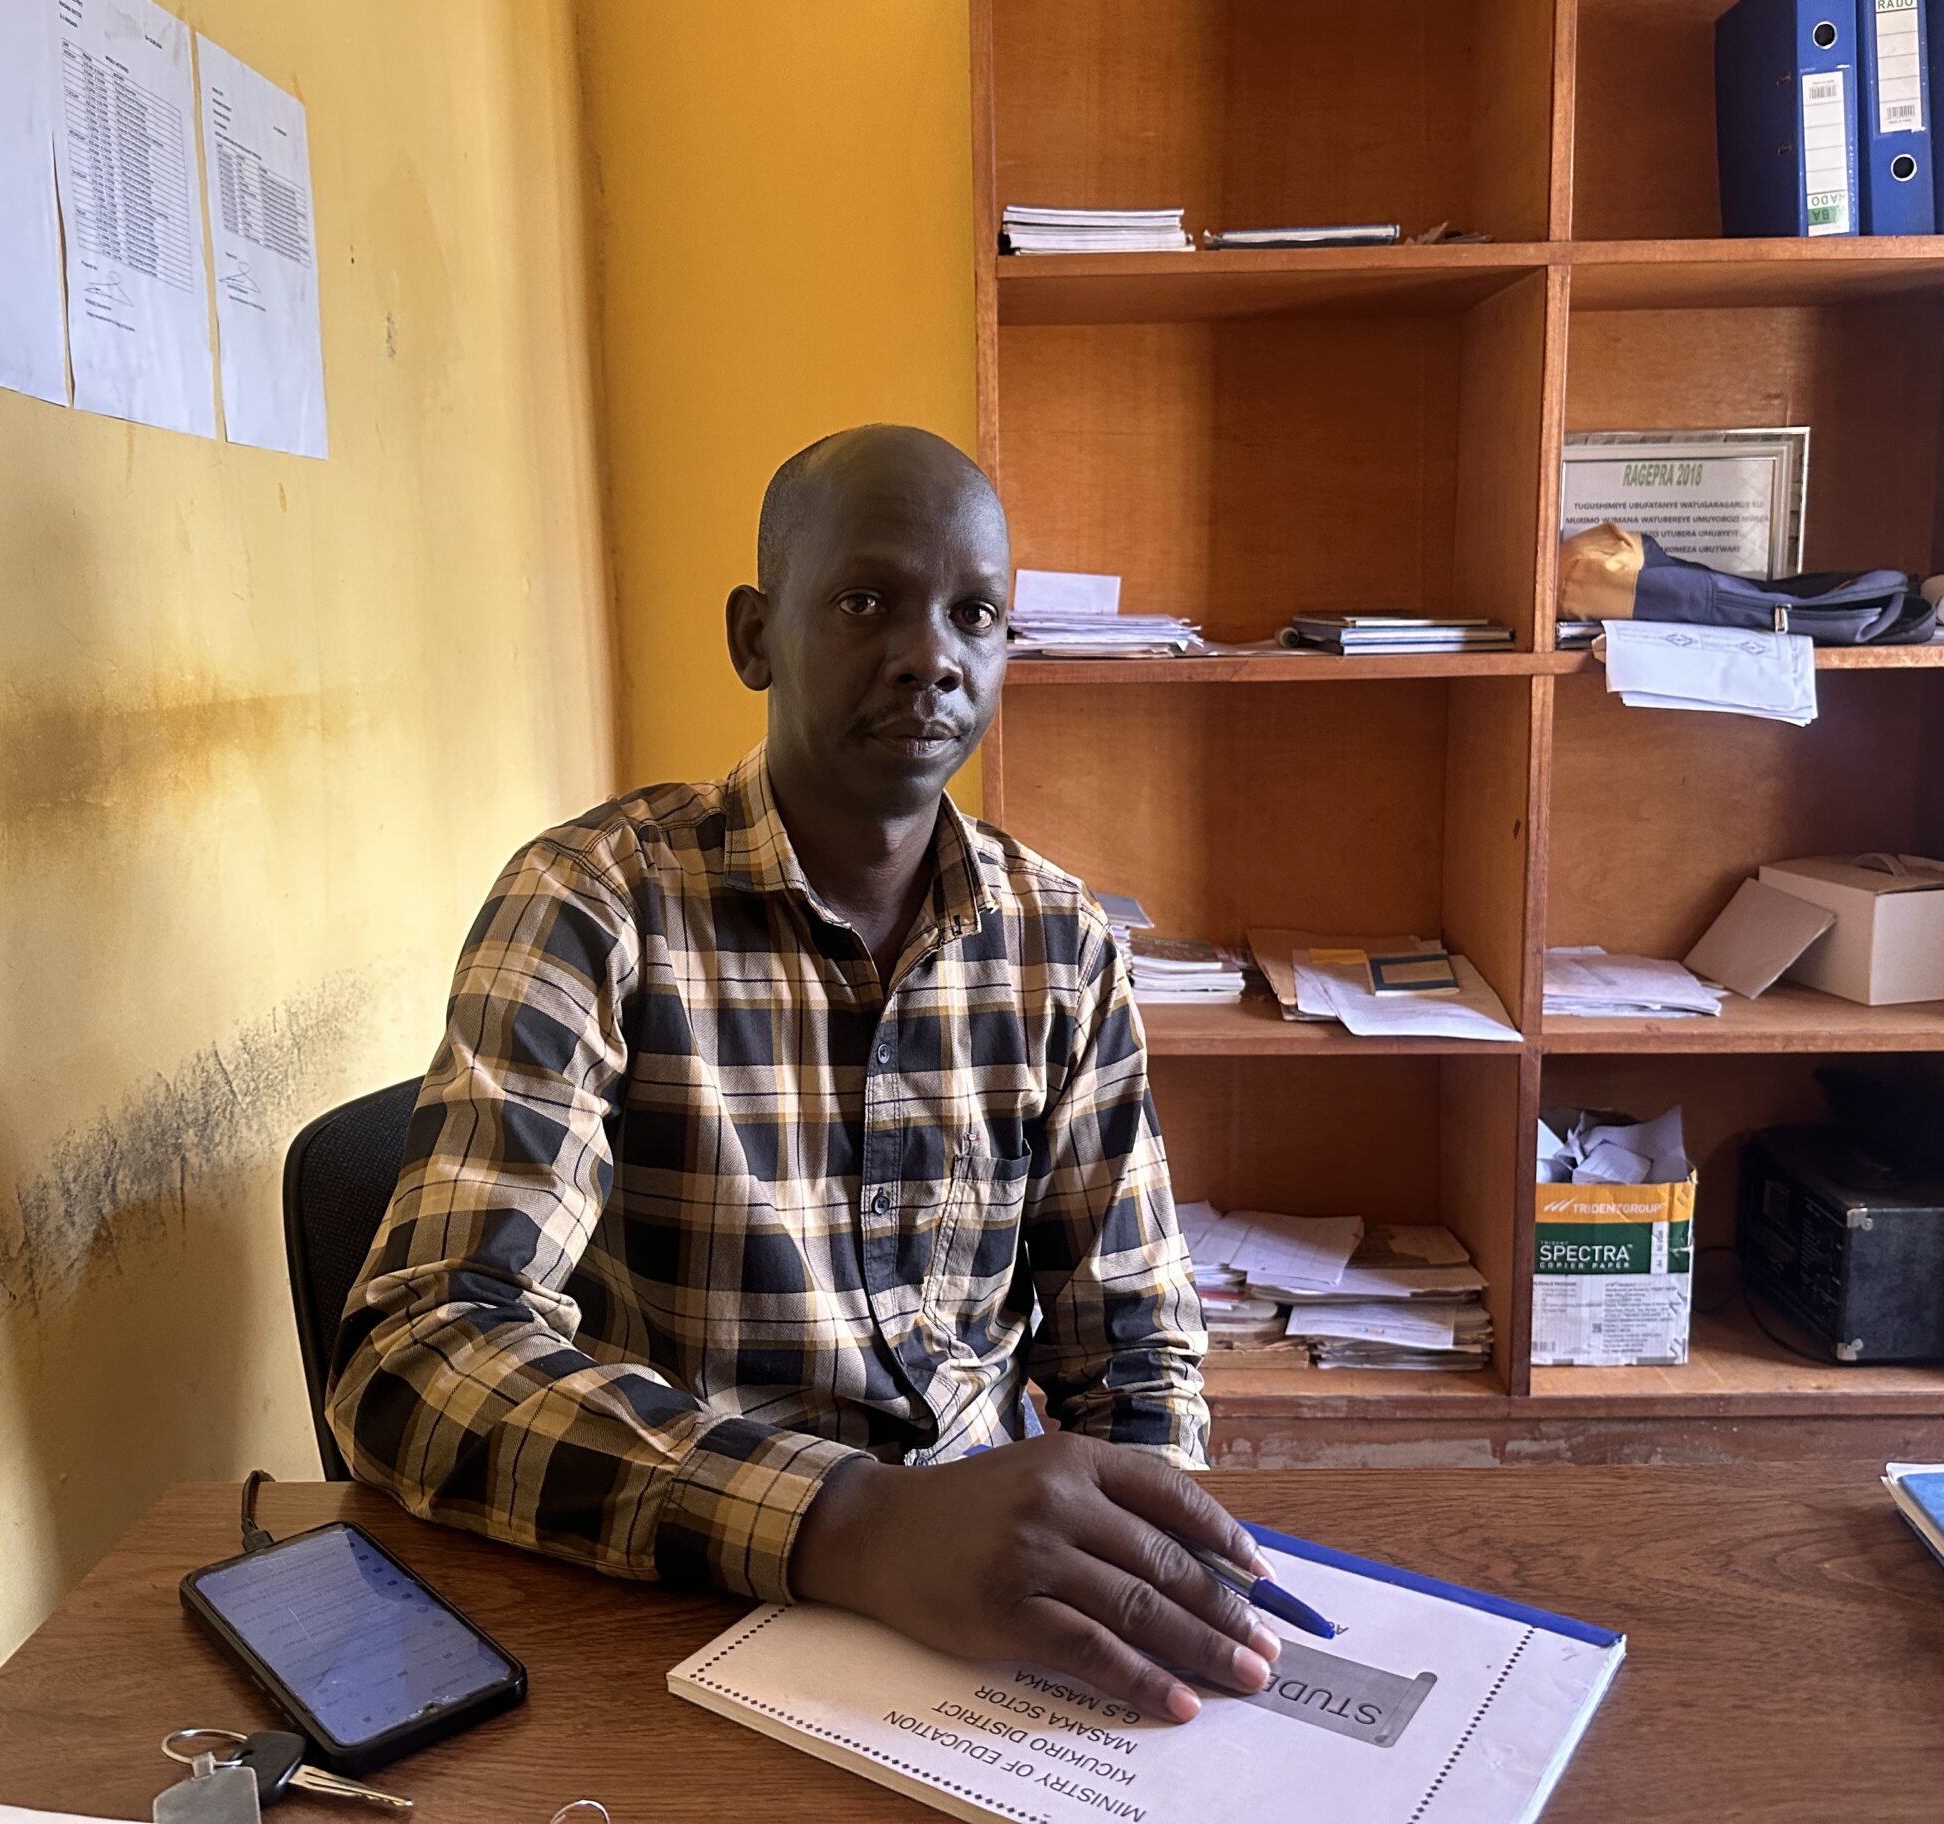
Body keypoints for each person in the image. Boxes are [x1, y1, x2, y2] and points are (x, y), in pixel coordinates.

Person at [328, 424, 1278, 1722]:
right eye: (865, 602)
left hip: (993, 1623)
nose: (932, 656)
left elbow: (1136, 1356)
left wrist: (1146, 1572)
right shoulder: (595, 903)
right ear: (754, 636)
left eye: (975, 614)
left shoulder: (1063, 946)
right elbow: (420, 1353)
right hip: (680, 1600)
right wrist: (860, 1524)